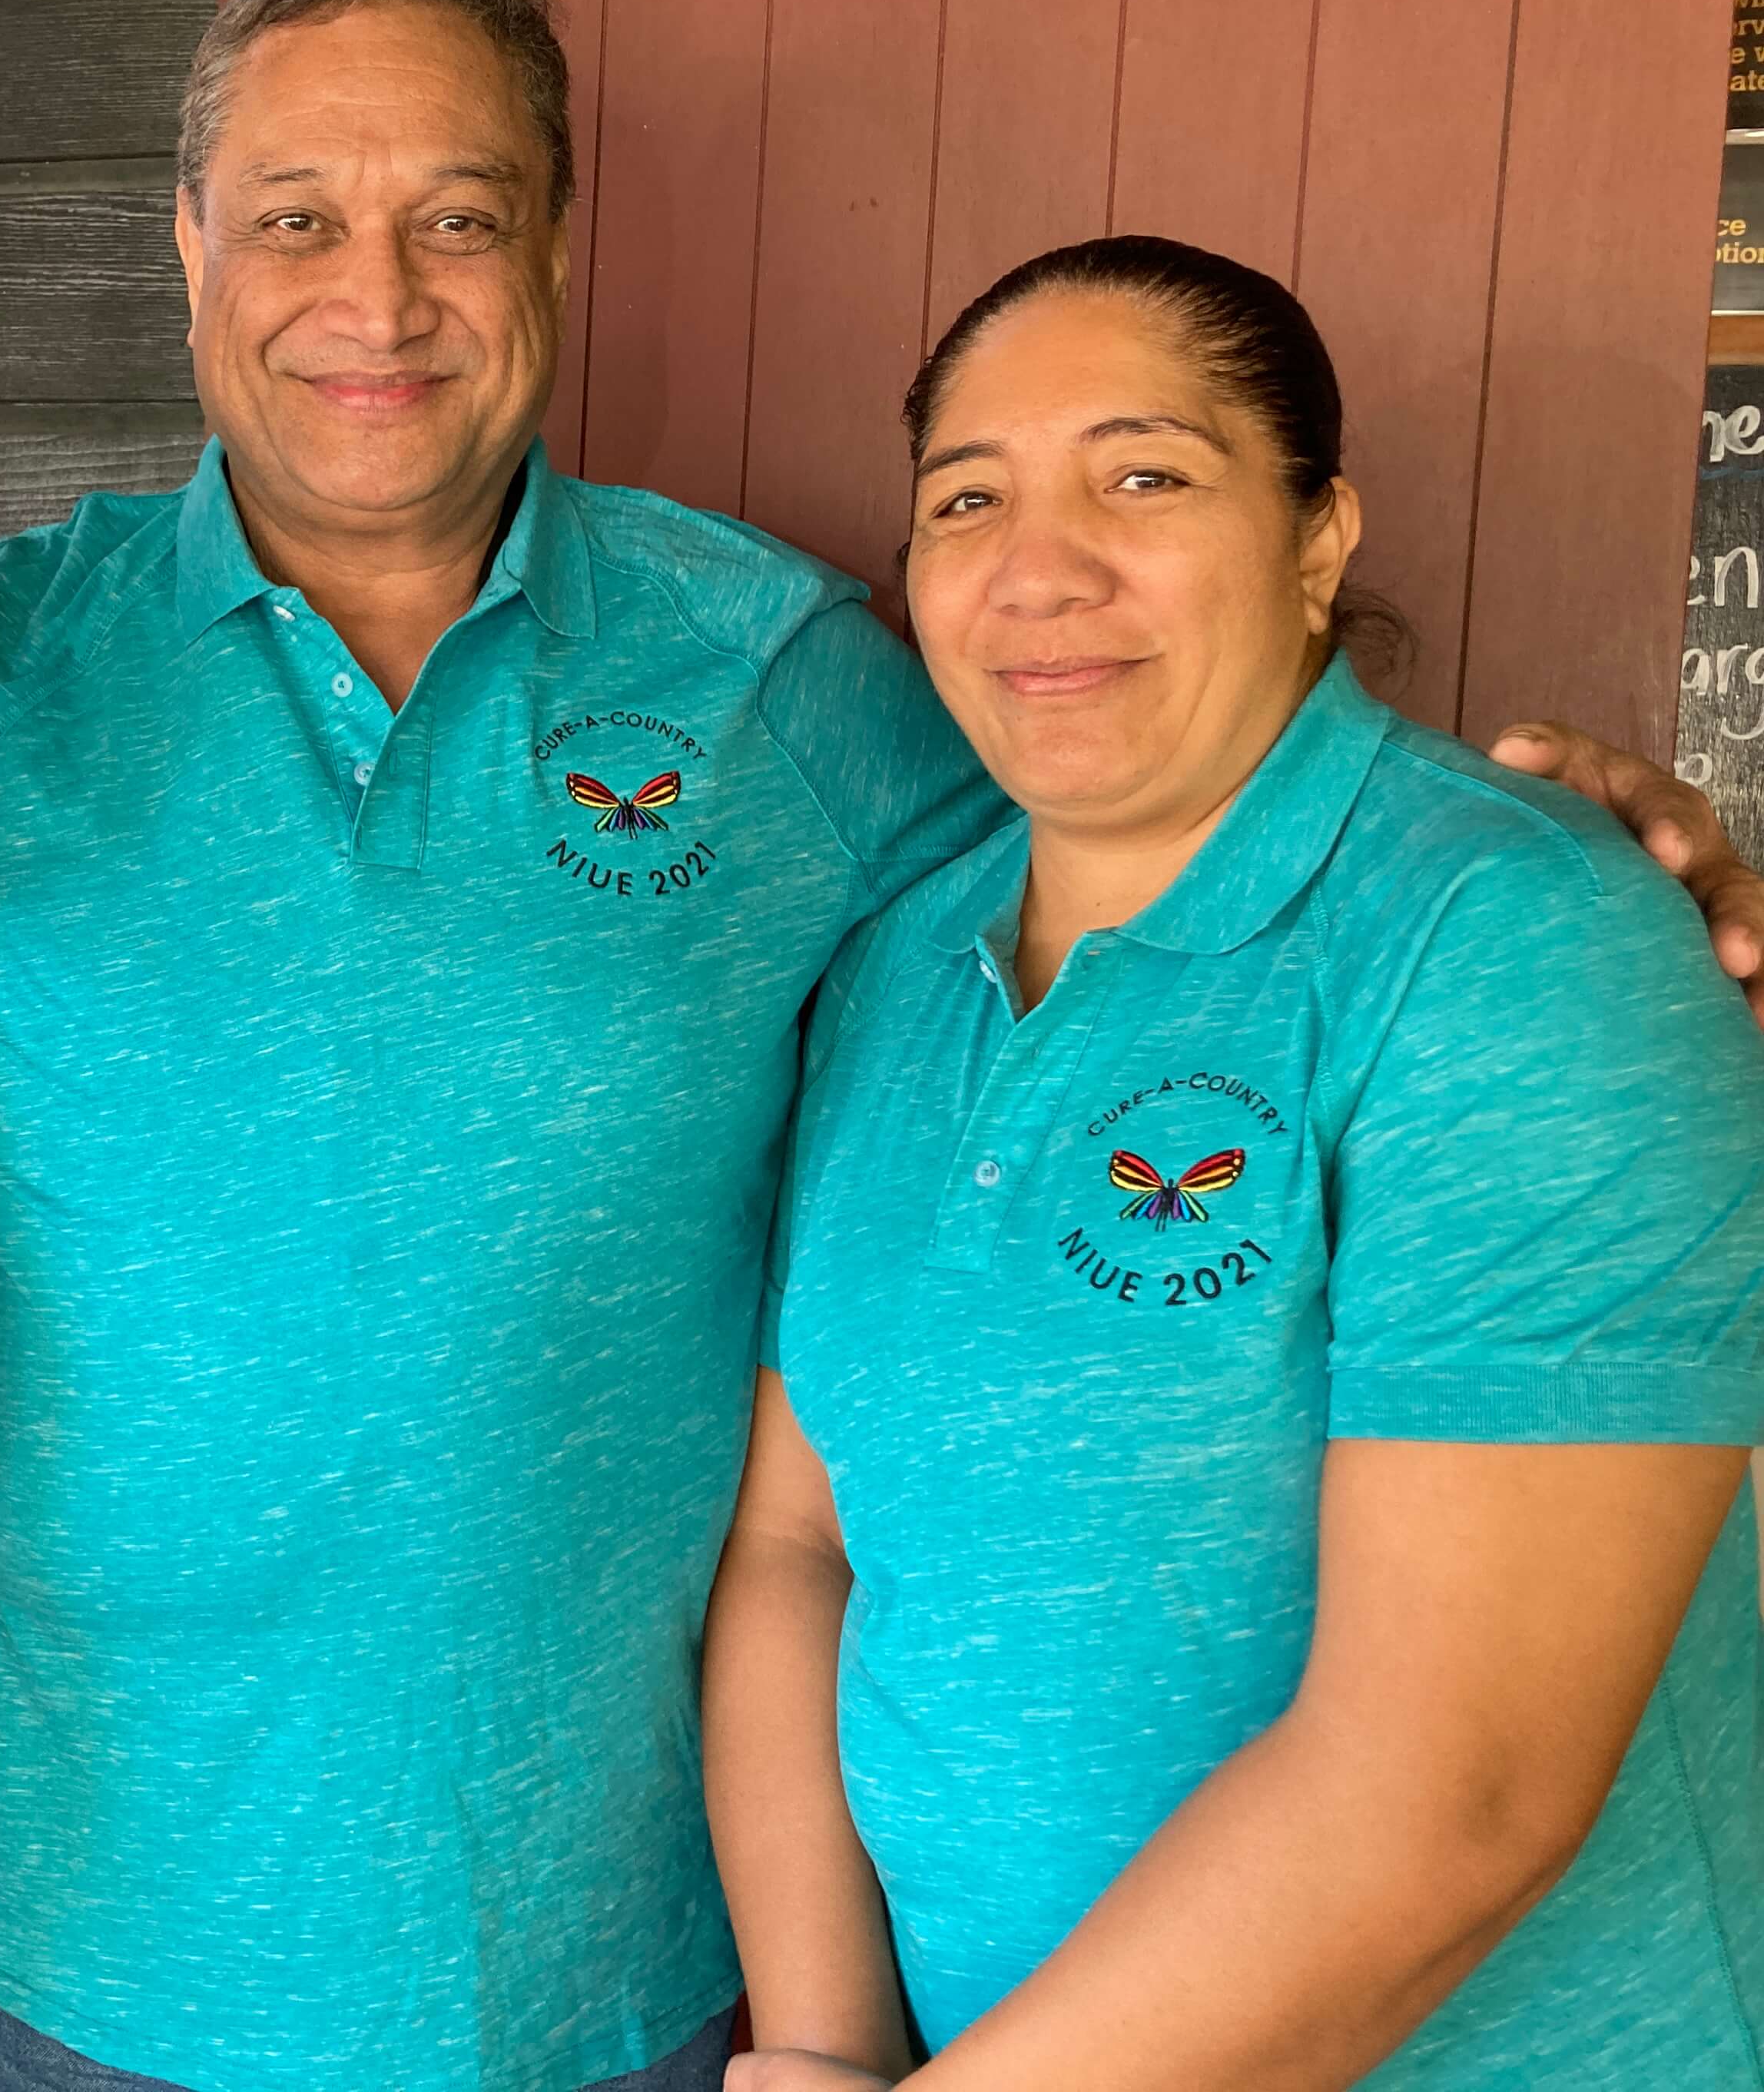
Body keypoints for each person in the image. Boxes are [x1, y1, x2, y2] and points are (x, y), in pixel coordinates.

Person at [0, 0, 1764, 2092]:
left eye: (459, 211)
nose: (376, 291)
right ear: (191, 253)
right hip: (102, 1948)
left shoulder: (800, 681)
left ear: (553, 247)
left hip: (635, 1951)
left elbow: (1159, 794)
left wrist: (1565, 833)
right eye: (294, 212)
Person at [707, 237, 1764, 2091]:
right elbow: (803, 1541)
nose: (1041, 566)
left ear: (1317, 536)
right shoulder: (899, 966)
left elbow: (1459, 1789)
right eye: (969, 499)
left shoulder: (1511, 938)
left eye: (1145, 474)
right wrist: (812, 2049)